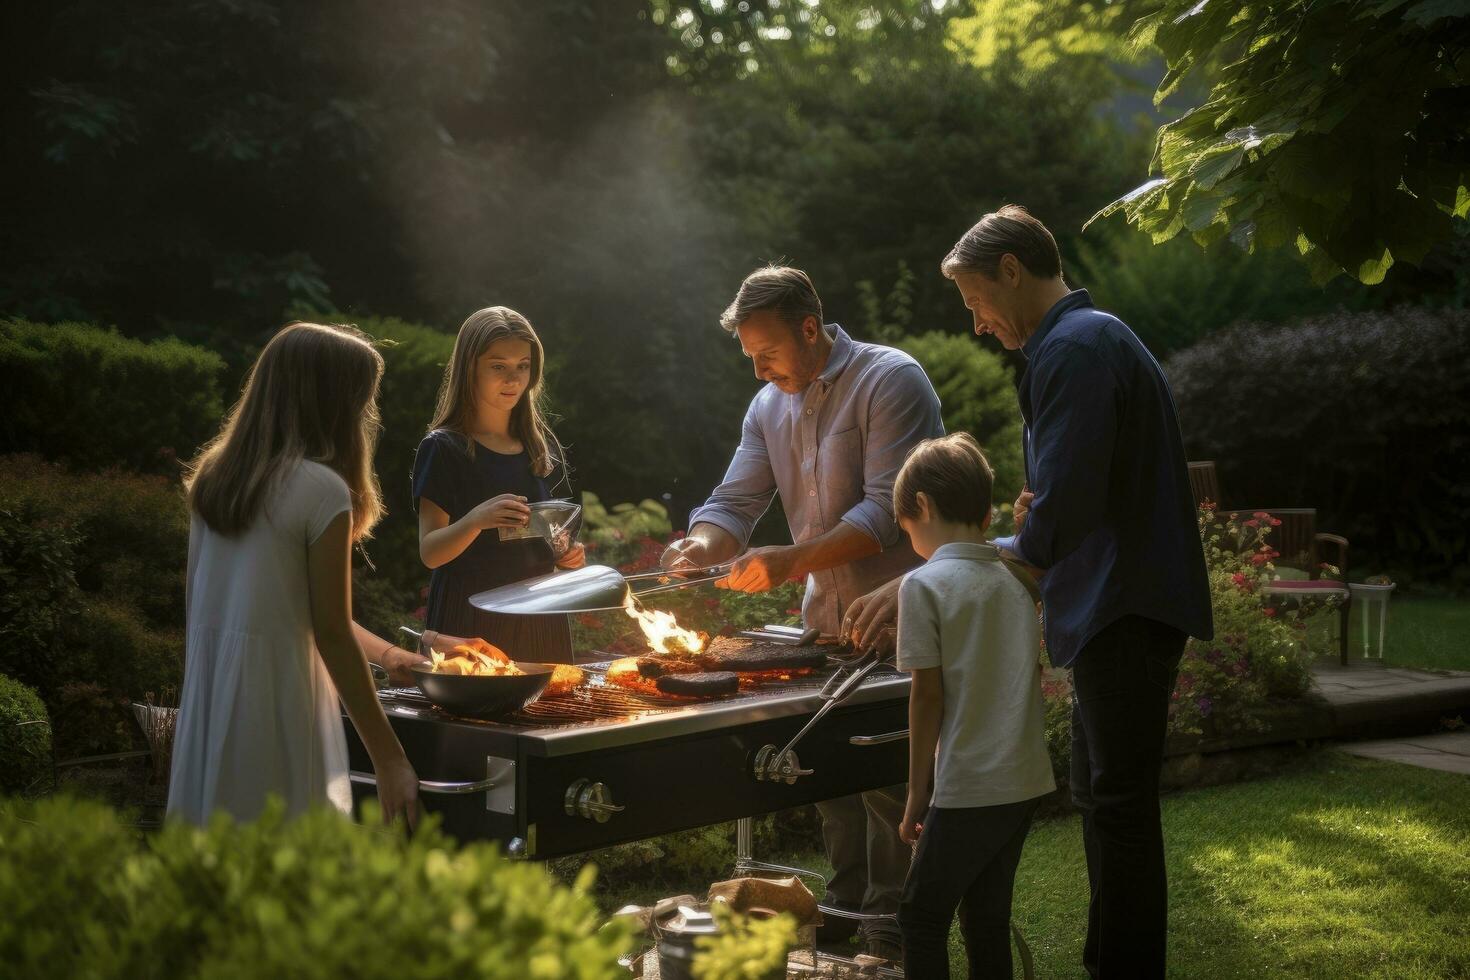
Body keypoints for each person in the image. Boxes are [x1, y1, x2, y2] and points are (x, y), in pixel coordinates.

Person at [849, 205, 1212, 978]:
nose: (979, 323)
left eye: (976, 300)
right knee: (1105, 801)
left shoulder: (1074, 350)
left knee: (1117, 808)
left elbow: (1060, 515)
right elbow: (1066, 496)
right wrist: (1027, 523)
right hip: (1120, 606)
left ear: (1011, 270)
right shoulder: (1089, 340)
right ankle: (1109, 960)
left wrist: (951, 564)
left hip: (1125, 607)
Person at [660, 266, 943, 960]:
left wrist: (790, 561)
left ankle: (892, 934)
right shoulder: (768, 408)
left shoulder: (891, 380)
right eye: (750, 358)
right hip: (827, 629)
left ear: (810, 329)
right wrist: (698, 547)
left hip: (898, 619)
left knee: (885, 778)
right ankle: (841, 926)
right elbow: (733, 504)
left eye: (767, 353)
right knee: (834, 785)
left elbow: (885, 511)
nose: (758, 370)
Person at [169, 322, 420, 828]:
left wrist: (389, 655)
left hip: (213, 698)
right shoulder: (322, 490)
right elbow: (327, 629)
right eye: (362, 401)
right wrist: (391, 760)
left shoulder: (215, 479)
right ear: (334, 402)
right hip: (279, 704)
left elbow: (290, 611)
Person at [892, 432, 1054, 979]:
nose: (909, 537)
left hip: (969, 785)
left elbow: (927, 695)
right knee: (985, 916)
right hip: (1025, 780)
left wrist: (918, 793)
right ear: (986, 513)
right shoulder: (1015, 582)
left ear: (922, 507)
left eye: (906, 526)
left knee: (919, 916)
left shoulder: (923, 585)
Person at [413, 306, 586, 663]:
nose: (513, 379)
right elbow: (430, 552)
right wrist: (476, 519)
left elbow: (538, 535)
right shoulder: (444, 448)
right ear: (469, 367)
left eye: (523, 366)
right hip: (471, 619)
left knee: (552, 714)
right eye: (498, 366)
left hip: (541, 614)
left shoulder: (538, 446)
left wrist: (565, 554)